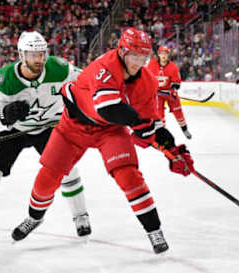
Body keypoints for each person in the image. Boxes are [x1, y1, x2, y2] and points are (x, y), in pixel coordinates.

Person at [11, 28, 194, 254]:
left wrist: (172, 149)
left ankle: (154, 230)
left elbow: (150, 125)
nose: (139, 63)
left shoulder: (147, 82)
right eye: (134, 56)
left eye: (144, 57)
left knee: (129, 175)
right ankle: (34, 217)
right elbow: (109, 109)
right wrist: (139, 125)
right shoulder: (105, 66)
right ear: (122, 52)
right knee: (48, 176)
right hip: (73, 126)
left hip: (110, 131)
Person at [0, 31, 91, 240]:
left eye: (42, 54)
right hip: (15, 130)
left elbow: (88, 80)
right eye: (33, 55)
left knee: (68, 170)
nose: (39, 59)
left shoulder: (59, 68)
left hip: (50, 126)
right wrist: (5, 117)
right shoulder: (4, 79)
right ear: (21, 55)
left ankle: (81, 216)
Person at [146, 45, 192, 139]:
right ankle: (162, 133)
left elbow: (176, 82)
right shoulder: (151, 65)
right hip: (157, 93)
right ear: (158, 54)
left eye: (165, 54)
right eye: (162, 53)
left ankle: (184, 129)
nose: (163, 55)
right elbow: (146, 78)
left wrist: (174, 89)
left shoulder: (173, 67)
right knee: (159, 113)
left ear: (168, 55)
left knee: (177, 110)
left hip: (169, 92)